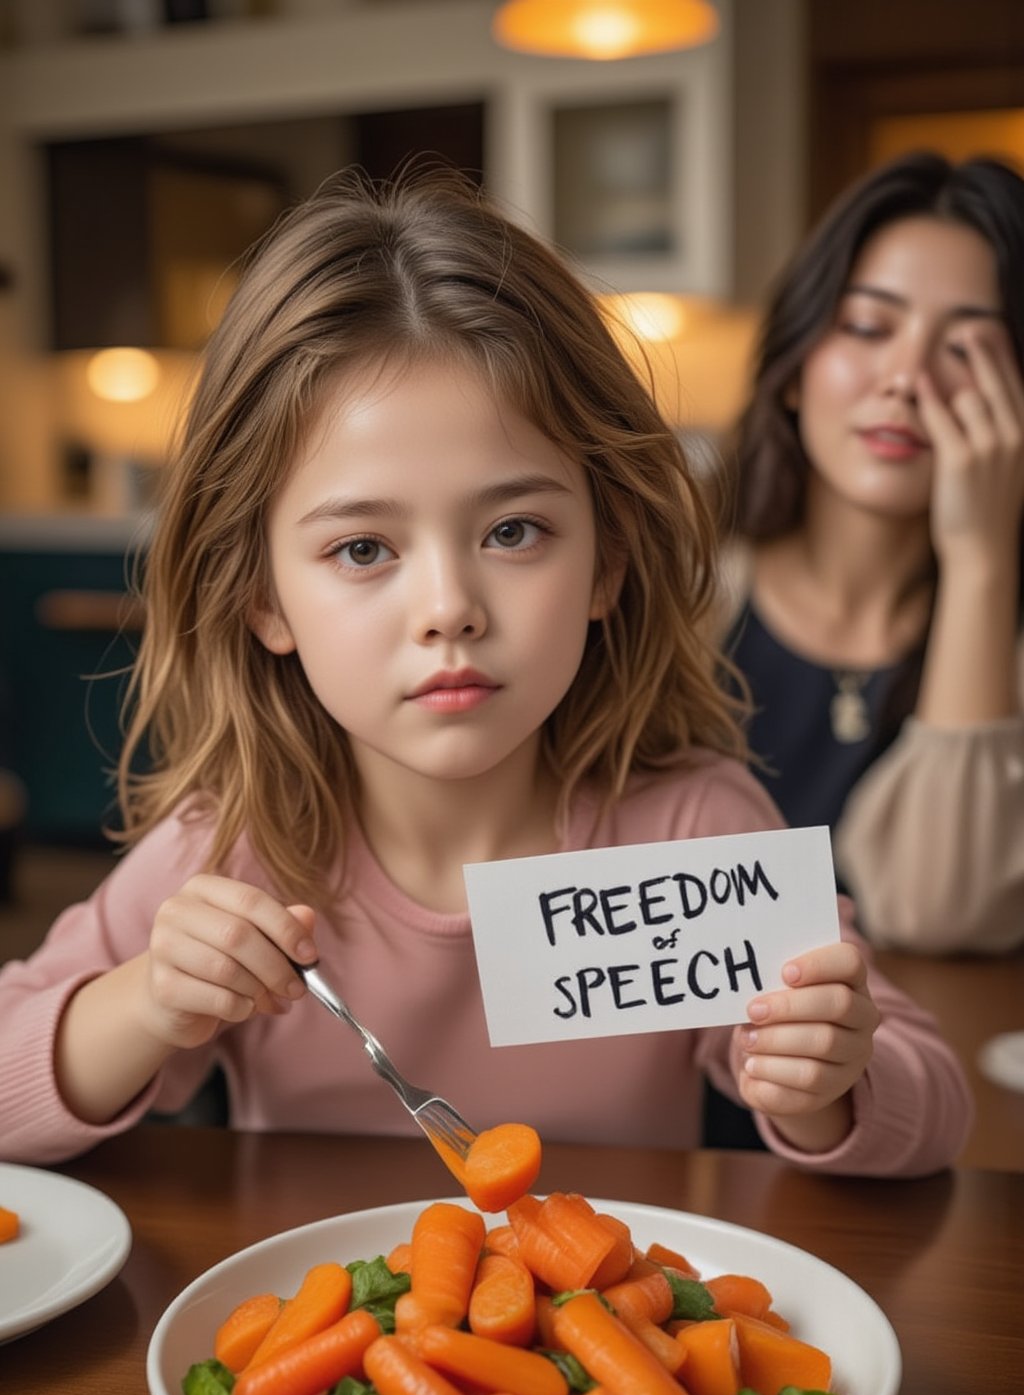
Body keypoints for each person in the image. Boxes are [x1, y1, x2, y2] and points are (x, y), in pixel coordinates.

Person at [0, 168, 972, 1174]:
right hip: (311, 1326)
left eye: (513, 530)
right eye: (363, 550)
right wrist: (149, 1000)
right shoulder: (231, 852)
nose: (448, 608)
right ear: (263, 600)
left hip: (615, 1318)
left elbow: (930, 1106)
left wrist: (828, 1084)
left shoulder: (693, 832)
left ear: (609, 561)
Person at [718, 150, 1024, 955]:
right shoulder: (674, 586)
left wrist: (983, 560)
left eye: (968, 350)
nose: (907, 377)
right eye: (867, 326)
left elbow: (943, 914)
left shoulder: (1007, 645)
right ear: (794, 368)